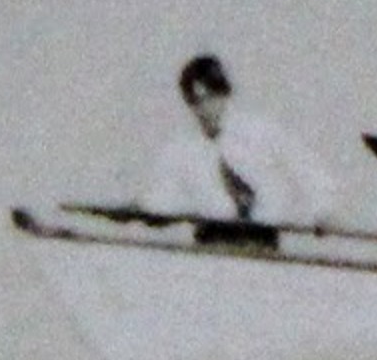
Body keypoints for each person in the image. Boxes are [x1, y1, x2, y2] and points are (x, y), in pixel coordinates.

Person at [142, 54, 340, 230]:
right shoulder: (182, 147)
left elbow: (307, 169)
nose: (202, 109)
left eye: (208, 98)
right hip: (211, 242)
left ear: (224, 94)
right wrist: (148, 211)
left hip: (261, 241)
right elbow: (164, 196)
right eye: (194, 102)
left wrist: (323, 213)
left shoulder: (260, 132)